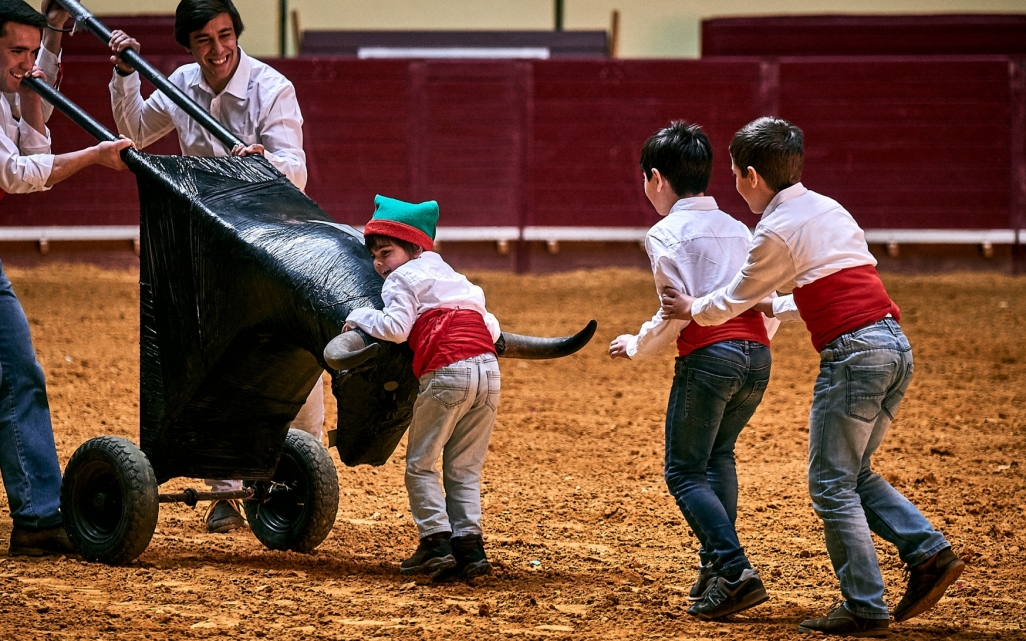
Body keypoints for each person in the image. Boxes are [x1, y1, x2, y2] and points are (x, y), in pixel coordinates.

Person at [661, 117, 963, 637]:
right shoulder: (828, 207)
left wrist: (691, 306)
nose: (734, 184)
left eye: (735, 174)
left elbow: (727, 304)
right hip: (892, 344)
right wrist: (765, 300)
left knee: (830, 485)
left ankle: (866, 605)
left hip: (854, 357)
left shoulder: (774, 230)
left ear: (751, 175)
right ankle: (927, 551)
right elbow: (818, 293)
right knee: (854, 473)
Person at [108, 0, 320, 533]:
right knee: (217, 357)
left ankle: (299, 471)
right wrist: (124, 74)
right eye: (204, 40)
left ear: (237, 34)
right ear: (189, 45)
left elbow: (295, 171)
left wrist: (261, 163)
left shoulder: (271, 87)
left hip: (274, 239)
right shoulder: (179, 83)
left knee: (292, 349)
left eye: (225, 35)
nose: (218, 49)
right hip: (211, 247)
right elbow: (134, 127)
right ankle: (225, 492)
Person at [608, 121, 777, 620]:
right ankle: (712, 568)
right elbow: (756, 298)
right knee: (717, 458)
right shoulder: (739, 227)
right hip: (756, 358)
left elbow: (674, 311)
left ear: (656, 179)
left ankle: (733, 569)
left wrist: (636, 346)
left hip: (710, 357)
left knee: (683, 471)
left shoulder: (664, 233)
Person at [0, 0, 134, 556]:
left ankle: (36, 517)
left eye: (32, 52)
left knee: (17, 369)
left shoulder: (9, 93)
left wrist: (49, 45)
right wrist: (95, 157)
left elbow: (34, 143)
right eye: (16, 51)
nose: (26, 62)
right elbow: (15, 175)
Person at [342, 195, 501, 582]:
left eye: (387, 252)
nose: (380, 265)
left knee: (421, 464)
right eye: (375, 256)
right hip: (489, 372)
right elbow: (492, 329)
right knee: (465, 466)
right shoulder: (459, 280)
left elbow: (396, 328)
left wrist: (358, 316)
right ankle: (470, 547)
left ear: (415, 248)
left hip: (446, 371)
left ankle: (435, 542)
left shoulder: (402, 278)